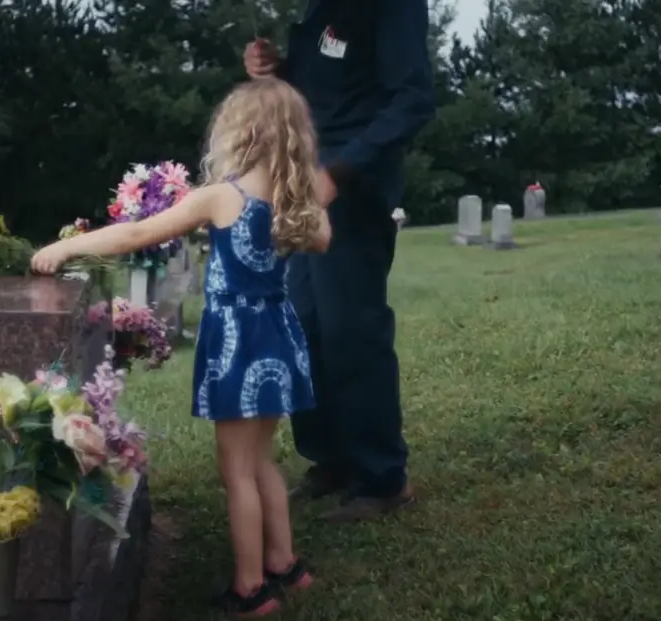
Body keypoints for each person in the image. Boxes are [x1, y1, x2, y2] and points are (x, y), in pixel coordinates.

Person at [32, 79, 329, 617]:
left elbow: (131, 237)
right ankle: (286, 564)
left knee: (236, 470)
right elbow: (323, 236)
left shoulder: (223, 196)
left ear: (241, 132)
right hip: (278, 341)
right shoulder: (293, 199)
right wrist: (303, 181)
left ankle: (250, 588)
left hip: (238, 347)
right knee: (262, 459)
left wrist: (66, 246)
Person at [243, 0, 436, 520]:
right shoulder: (319, 8)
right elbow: (321, 89)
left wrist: (338, 172)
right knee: (304, 326)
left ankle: (381, 478)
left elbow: (413, 100)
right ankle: (331, 459)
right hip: (305, 183)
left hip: (352, 189)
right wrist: (273, 70)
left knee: (352, 330)